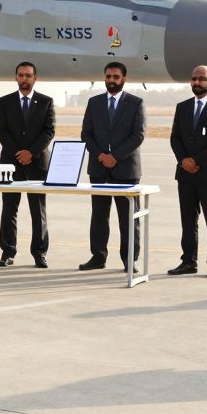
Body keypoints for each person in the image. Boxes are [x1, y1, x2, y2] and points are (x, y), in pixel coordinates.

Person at [79, 61, 146, 271]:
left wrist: (115, 156)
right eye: (108, 77)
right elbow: (86, 134)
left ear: (124, 79)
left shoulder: (136, 103)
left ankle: (129, 260)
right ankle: (98, 256)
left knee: (128, 218)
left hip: (126, 169)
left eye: (116, 77)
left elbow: (138, 135)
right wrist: (101, 156)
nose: (111, 81)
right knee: (99, 215)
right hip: (99, 168)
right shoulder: (94, 103)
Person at [167, 65, 207, 278]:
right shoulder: (182, 107)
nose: (197, 82)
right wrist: (183, 160)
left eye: (202, 79)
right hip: (185, 174)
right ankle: (188, 261)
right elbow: (175, 138)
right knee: (188, 220)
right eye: (194, 78)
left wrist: (195, 161)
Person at [0, 61, 56, 268]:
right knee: (9, 209)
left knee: (38, 211)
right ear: (16, 77)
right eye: (21, 75)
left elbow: (49, 131)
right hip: (10, 164)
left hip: (37, 164)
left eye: (28, 75)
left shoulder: (46, 102)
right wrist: (18, 153)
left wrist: (31, 152)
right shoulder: (5, 102)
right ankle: (7, 252)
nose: (24, 79)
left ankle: (40, 253)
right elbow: (1, 130)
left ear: (35, 79)